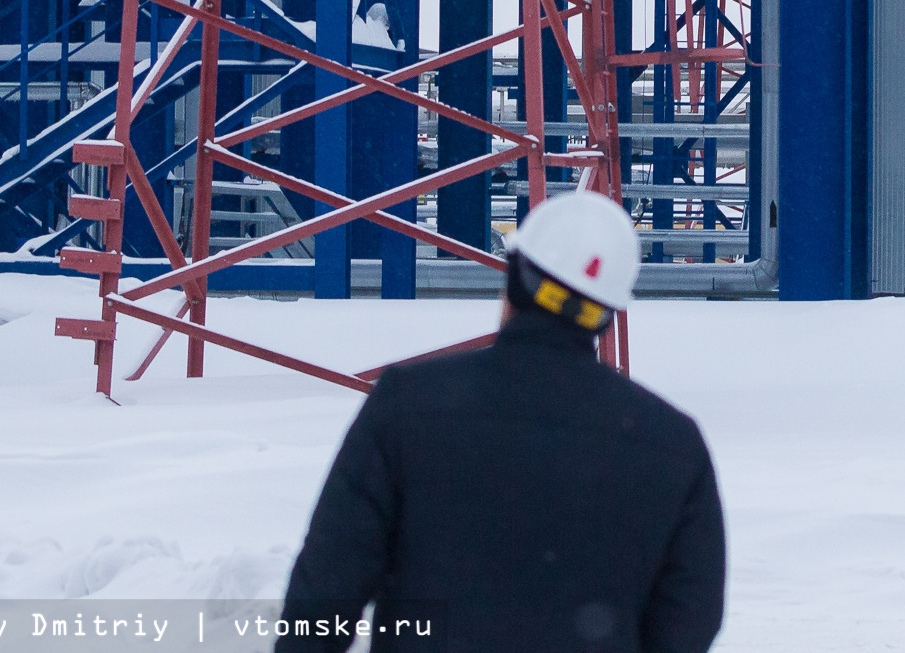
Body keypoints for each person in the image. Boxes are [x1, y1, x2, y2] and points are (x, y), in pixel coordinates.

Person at [274, 190, 725, 652]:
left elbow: (324, 593)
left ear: (513, 279)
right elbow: (690, 619)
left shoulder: (407, 406)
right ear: (607, 315)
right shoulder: (671, 445)